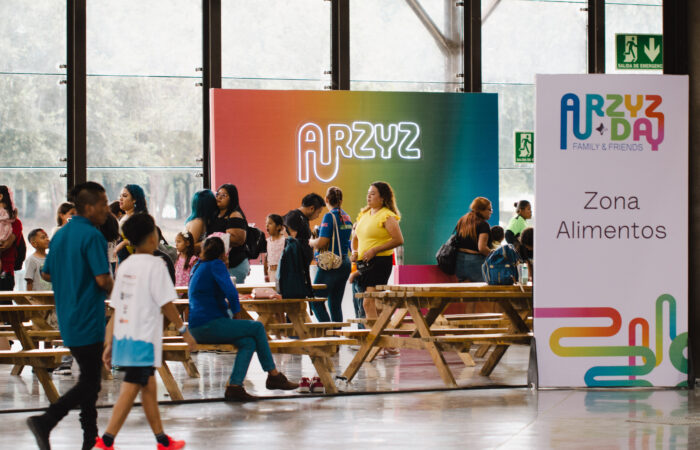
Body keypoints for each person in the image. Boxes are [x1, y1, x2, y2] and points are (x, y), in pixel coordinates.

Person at [95, 214, 196, 450]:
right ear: (153, 237)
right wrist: (184, 330)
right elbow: (166, 303)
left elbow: (117, 308)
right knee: (130, 390)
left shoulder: (125, 266)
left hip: (125, 339)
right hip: (142, 340)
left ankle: (162, 440)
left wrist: (109, 342)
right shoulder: (156, 265)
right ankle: (106, 441)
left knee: (148, 388)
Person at [26, 182, 113, 450]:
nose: (107, 210)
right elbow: (102, 279)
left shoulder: (60, 235)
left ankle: (90, 437)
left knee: (89, 378)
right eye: (103, 204)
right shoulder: (93, 236)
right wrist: (123, 292)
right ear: (89, 207)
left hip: (67, 316)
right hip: (89, 316)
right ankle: (46, 420)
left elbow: (47, 273)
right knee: (90, 381)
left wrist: (71, 275)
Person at [187, 236, 298, 401]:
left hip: (196, 327)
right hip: (210, 324)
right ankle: (274, 375)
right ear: (223, 253)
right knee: (257, 327)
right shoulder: (215, 264)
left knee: (248, 342)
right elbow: (231, 292)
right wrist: (237, 314)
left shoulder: (198, 266)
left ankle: (235, 386)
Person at [352, 182, 404, 328]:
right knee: (377, 305)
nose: (368, 196)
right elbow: (355, 237)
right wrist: (355, 251)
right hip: (363, 264)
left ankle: (375, 338)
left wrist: (375, 250)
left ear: (382, 198)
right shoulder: (364, 215)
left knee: (368, 303)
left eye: (373, 194)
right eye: (368, 193)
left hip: (379, 263)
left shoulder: (387, 216)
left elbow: (398, 240)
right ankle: (384, 337)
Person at [309, 187, 352, 322]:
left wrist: (311, 242)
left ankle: (327, 331)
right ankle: (337, 334)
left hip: (331, 264)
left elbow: (322, 242)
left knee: (315, 301)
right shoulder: (346, 216)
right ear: (341, 201)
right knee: (335, 305)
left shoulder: (329, 216)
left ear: (326, 199)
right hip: (345, 262)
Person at [209, 184, 250, 283]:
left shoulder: (235, 214)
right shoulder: (216, 214)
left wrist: (209, 241)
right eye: (218, 194)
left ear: (232, 198)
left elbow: (237, 240)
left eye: (224, 195)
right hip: (220, 264)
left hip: (234, 264)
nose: (219, 197)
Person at [454, 197, 493, 282]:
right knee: (483, 288)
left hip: (459, 261)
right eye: (489, 209)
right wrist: (494, 255)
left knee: (465, 289)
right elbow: (482, 248)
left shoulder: (462, 220)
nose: (491, 212)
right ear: (481, 210)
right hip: (475, 262)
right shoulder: (483, 225)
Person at [283, 193, 325, 266]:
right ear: (312, 208)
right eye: (318, 212)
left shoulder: (303, 218)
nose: (318, 216)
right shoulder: (294, 216)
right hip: (295, 267)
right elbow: (288, 242)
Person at [115, 184, 148, 262]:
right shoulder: (124, 217)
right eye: (120, 196)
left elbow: (142, 241)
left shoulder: (139, 218)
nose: (120, 199)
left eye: (125, 196)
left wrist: (124, 243)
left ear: (134, 199)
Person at [263, 214, 285, 283]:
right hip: (271, 272)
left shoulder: (284, 240)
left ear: (278, 227)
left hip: (283, 271)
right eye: (266, 223)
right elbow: (266, 259)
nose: (267, 225)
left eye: (270, 223)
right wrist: (265, 274)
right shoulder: (267, 241)